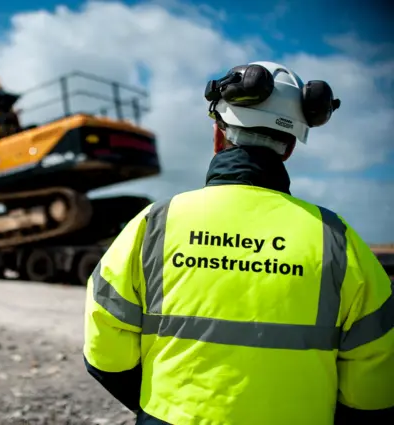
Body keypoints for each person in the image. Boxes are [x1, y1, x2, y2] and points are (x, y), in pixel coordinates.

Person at [82, 61, 394, 425]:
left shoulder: (154, 224)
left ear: (218, 135)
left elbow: (105, 347)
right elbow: (375, 374)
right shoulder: (338, 239)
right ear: (289, 148)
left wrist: (156, 409)